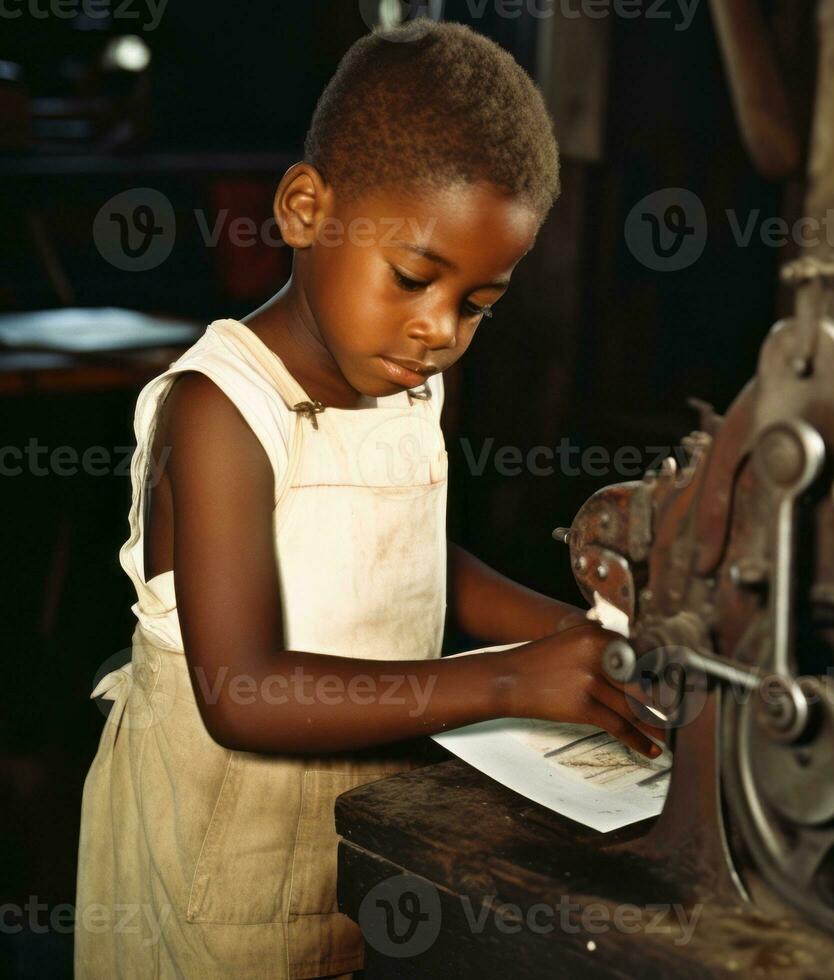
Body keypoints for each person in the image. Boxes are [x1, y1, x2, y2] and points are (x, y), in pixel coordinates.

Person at [75, 20, 662, 978]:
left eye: (477, 303)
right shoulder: (222, 409)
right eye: (414, 278)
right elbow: (243, 693)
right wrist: (516, 679)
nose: (439, 331)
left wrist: (579, 637)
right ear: (306, 208)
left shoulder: (402, 378)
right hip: (218, 875)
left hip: (361, 845)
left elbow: (406, 551)